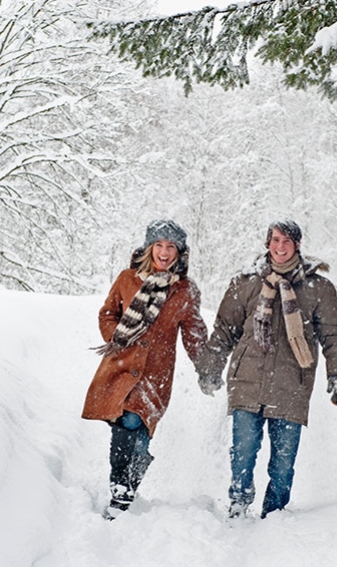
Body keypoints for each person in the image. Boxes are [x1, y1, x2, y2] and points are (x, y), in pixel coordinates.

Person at [197, 219, 337, 519]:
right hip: (247, 379)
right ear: (268, 243)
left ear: (297, 245)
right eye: (275, 240)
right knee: (243, 450)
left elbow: (335, 334)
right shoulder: (245, 282)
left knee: (283, 461)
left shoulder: (317, 287)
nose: (280, 247)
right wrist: (210, 367)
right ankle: (239, 502)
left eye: (287, 241)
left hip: (291, 383)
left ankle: (275, 512)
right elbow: (225, 330)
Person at [82, 219, 208, 519]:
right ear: (149, 247)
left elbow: (194, 334)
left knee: (140, 435)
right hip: (122, 367)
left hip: (156, 376)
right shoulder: (127, 279)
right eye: (159, 245)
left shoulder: (185, 290)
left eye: (171, 247)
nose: (164, 252)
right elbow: (107, 313)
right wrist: (116, 336)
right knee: (124, 424)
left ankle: (128, 485)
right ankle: (120, 490)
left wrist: (207, 367)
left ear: (179, 252)